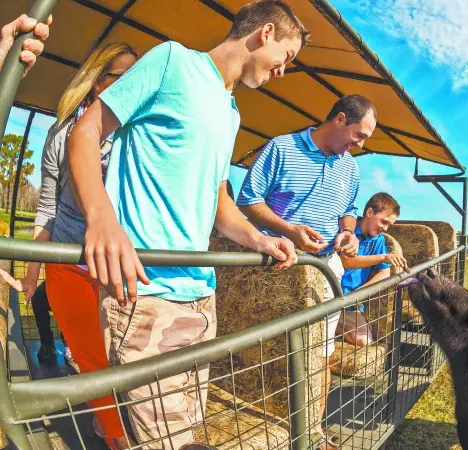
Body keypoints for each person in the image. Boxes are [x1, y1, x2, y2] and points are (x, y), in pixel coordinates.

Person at [66, 1, 305, 447]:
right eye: (286, 58)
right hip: (146, 291)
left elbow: (218, 201)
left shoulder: (230, 110)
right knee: (166, 441)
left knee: (186, 430)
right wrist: (101, 218)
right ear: (266, 32)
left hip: (201, 297)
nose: (283, 71)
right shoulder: (172, 60)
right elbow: (85, 132)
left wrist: (259, 238)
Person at [0, 41, 138, 450]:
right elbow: (47, 205)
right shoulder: (63, 133)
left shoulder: (141, 133)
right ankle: (114, 436)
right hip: (71, 263)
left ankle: (117, 424)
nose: (133, 85)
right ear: (98, 82)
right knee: (94, 359)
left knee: (126, 357)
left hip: (122, 264)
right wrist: (31, 270)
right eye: (122, 76)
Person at [237, 94, 377, 450]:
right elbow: (248, 201)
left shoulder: (350, 167)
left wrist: (348, 231)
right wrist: (289, 230)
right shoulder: (281, 148)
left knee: (321, 353)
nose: (359, 144)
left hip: (324, 269)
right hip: (274, 267)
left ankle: (313, 434)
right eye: (358, 135)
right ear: (340, 120)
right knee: (269, 351)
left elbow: (349, 208)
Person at [336, 192, 408, 346]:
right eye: (384, 221)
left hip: (350, 305)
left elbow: (385, 272)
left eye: (389, 224)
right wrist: (383, 257)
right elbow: (345, 261)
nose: (386, 228)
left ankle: (334, 329)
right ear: (369, 212)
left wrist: (359, 293)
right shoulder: (346, 231)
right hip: (328, 300)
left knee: (364, 341)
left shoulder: (378, 240)